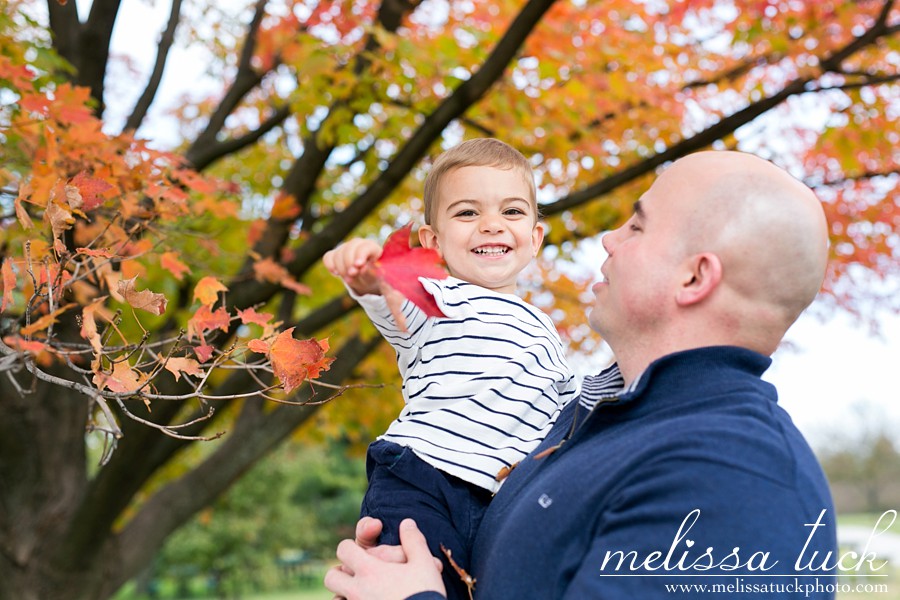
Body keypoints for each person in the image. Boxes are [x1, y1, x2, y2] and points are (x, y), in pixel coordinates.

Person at [325, 150, 839, 600]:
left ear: (694, 277)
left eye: (636, 226)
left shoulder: (736, 480)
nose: (609, 240)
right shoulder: (591, 422)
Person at [322, 138, 579, 600]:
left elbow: (563, 409)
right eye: (467, 213)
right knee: (405, 577)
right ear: (432, 241)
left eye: (512, 212)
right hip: (420, 479)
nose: (491, 226)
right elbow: (389, 296)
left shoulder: (544, 330)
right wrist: (367, 272)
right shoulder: (437, 297)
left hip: (492, 500)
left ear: (536, 237)